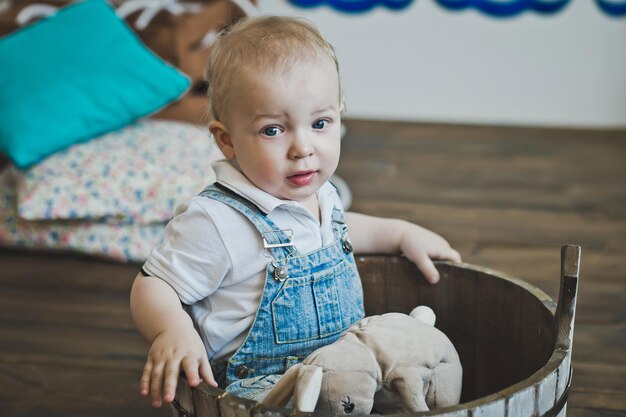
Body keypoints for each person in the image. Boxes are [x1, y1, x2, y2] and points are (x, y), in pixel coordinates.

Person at [130, 15, 461, 408]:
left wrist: (402, 234)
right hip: (260, 390)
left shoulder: (321, 195)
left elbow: (339, 231)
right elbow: (154, 284)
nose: (303, 147)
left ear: (339, 115)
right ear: (227, 140)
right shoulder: (217, 221)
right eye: (273, 130)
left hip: (342, 369)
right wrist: (172, 329)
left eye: (320, 123)